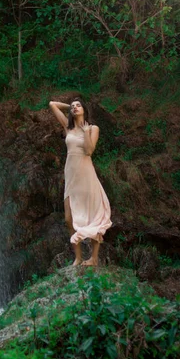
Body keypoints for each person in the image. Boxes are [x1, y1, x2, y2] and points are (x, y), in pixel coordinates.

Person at [49, 97, 112, 266]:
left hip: (86, 175)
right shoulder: (67, 127)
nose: (75, 107)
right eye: (73, 106)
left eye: (78, 105)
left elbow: (89, 151)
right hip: (71, 175)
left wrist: (85, 132)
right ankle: (77, 257)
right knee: (69, 218)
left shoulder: (93, 128)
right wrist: (68, 105)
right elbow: (52, 105)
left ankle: (94, 258)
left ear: (84, 109)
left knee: (93, 215)